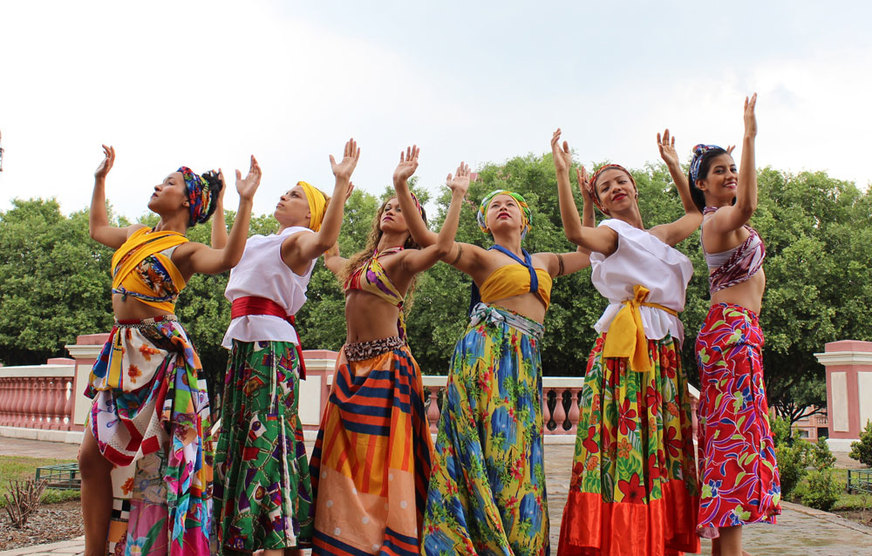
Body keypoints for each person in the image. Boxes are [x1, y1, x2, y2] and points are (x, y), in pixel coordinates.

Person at [392, 146, 591, 555]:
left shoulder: (547, 261)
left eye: (510, 204)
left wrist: (574, 187)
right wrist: (438, 192)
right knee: (492, 447)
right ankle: (477, 542)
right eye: (493, 206)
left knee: (520, 453)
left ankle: (520, 542)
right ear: (484, 223)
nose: (502, 208)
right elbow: (434, 243)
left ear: (524, 220)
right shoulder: (483, 256)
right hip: (486, 353)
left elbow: (589, 252)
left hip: (526, 360)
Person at [79, 145, 261, 556]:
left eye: (170, 182)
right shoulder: (137, 233)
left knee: (161, 467)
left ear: (185, 202)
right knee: (91, 459)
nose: (159, 185)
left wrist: (243, 201)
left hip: (160, 359)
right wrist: (99, 179)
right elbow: (97, 229)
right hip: (122, 354)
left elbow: (229, 257)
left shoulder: (186, 250)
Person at [552, 128, 702, 555]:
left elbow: (695, 214)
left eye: (621, 180)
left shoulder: (657, 235)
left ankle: (657, 535)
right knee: (628, 440)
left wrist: (674, 165)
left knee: (662, 441)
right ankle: (624, 539)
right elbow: (576, 236)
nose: (615, 188)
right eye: (605, 187)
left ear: (634, 187)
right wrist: (564, 177)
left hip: (664, 347)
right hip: (627, 347)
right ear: (599, 202)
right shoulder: (611, 234)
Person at [309, 147, 464, 555]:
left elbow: (443, 248)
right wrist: (340, 187)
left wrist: (446, 195)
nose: (391, 210)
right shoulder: (361, 264)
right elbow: (329, 252)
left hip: (385, 367)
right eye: (388, 206)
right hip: (351, 367)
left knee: (378, 464)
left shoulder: (404, 259)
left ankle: (381, 540)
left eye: (403, 208)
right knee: (341, 460)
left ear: (413, 225)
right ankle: (342, 537)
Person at [213, 139, 360, 555]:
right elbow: (224, 252)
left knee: (265, 433)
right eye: (285, 191)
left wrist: (340, 185)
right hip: (246, 344)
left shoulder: (297, 240)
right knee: (253, 431)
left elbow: (326, 236)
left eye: (295, 195)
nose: (284, 195)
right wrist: (233, 200)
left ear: (310, 213)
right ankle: (283, 534)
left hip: (270, 346)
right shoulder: (261, 239)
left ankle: (275, 536)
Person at [669, 94, 780, 556]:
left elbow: (697, 200)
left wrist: (678, 169)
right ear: (705, 185)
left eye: (733, 166)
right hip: (731, 334)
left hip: (737, 335)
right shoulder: (718, 223)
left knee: (731, 442)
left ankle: (727, 549)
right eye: (720, 170)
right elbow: (748, 206)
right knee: (732, 445)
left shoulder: (714, 219)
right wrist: (751, 136)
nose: (730, 173)